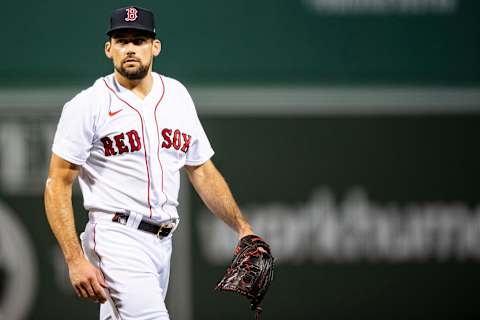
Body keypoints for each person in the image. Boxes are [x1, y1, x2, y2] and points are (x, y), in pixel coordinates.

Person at [44, 6, 256, 320]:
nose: (130, 48)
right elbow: (57, 183)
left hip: (162, 243)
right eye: (122, 40)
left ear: (155, 46)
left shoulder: (178, 96)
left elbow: (202, 169)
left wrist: (243, 228)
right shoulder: (88, 105)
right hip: (116, 236)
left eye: (139, 40)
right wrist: (74, 259)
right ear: (109, 49)